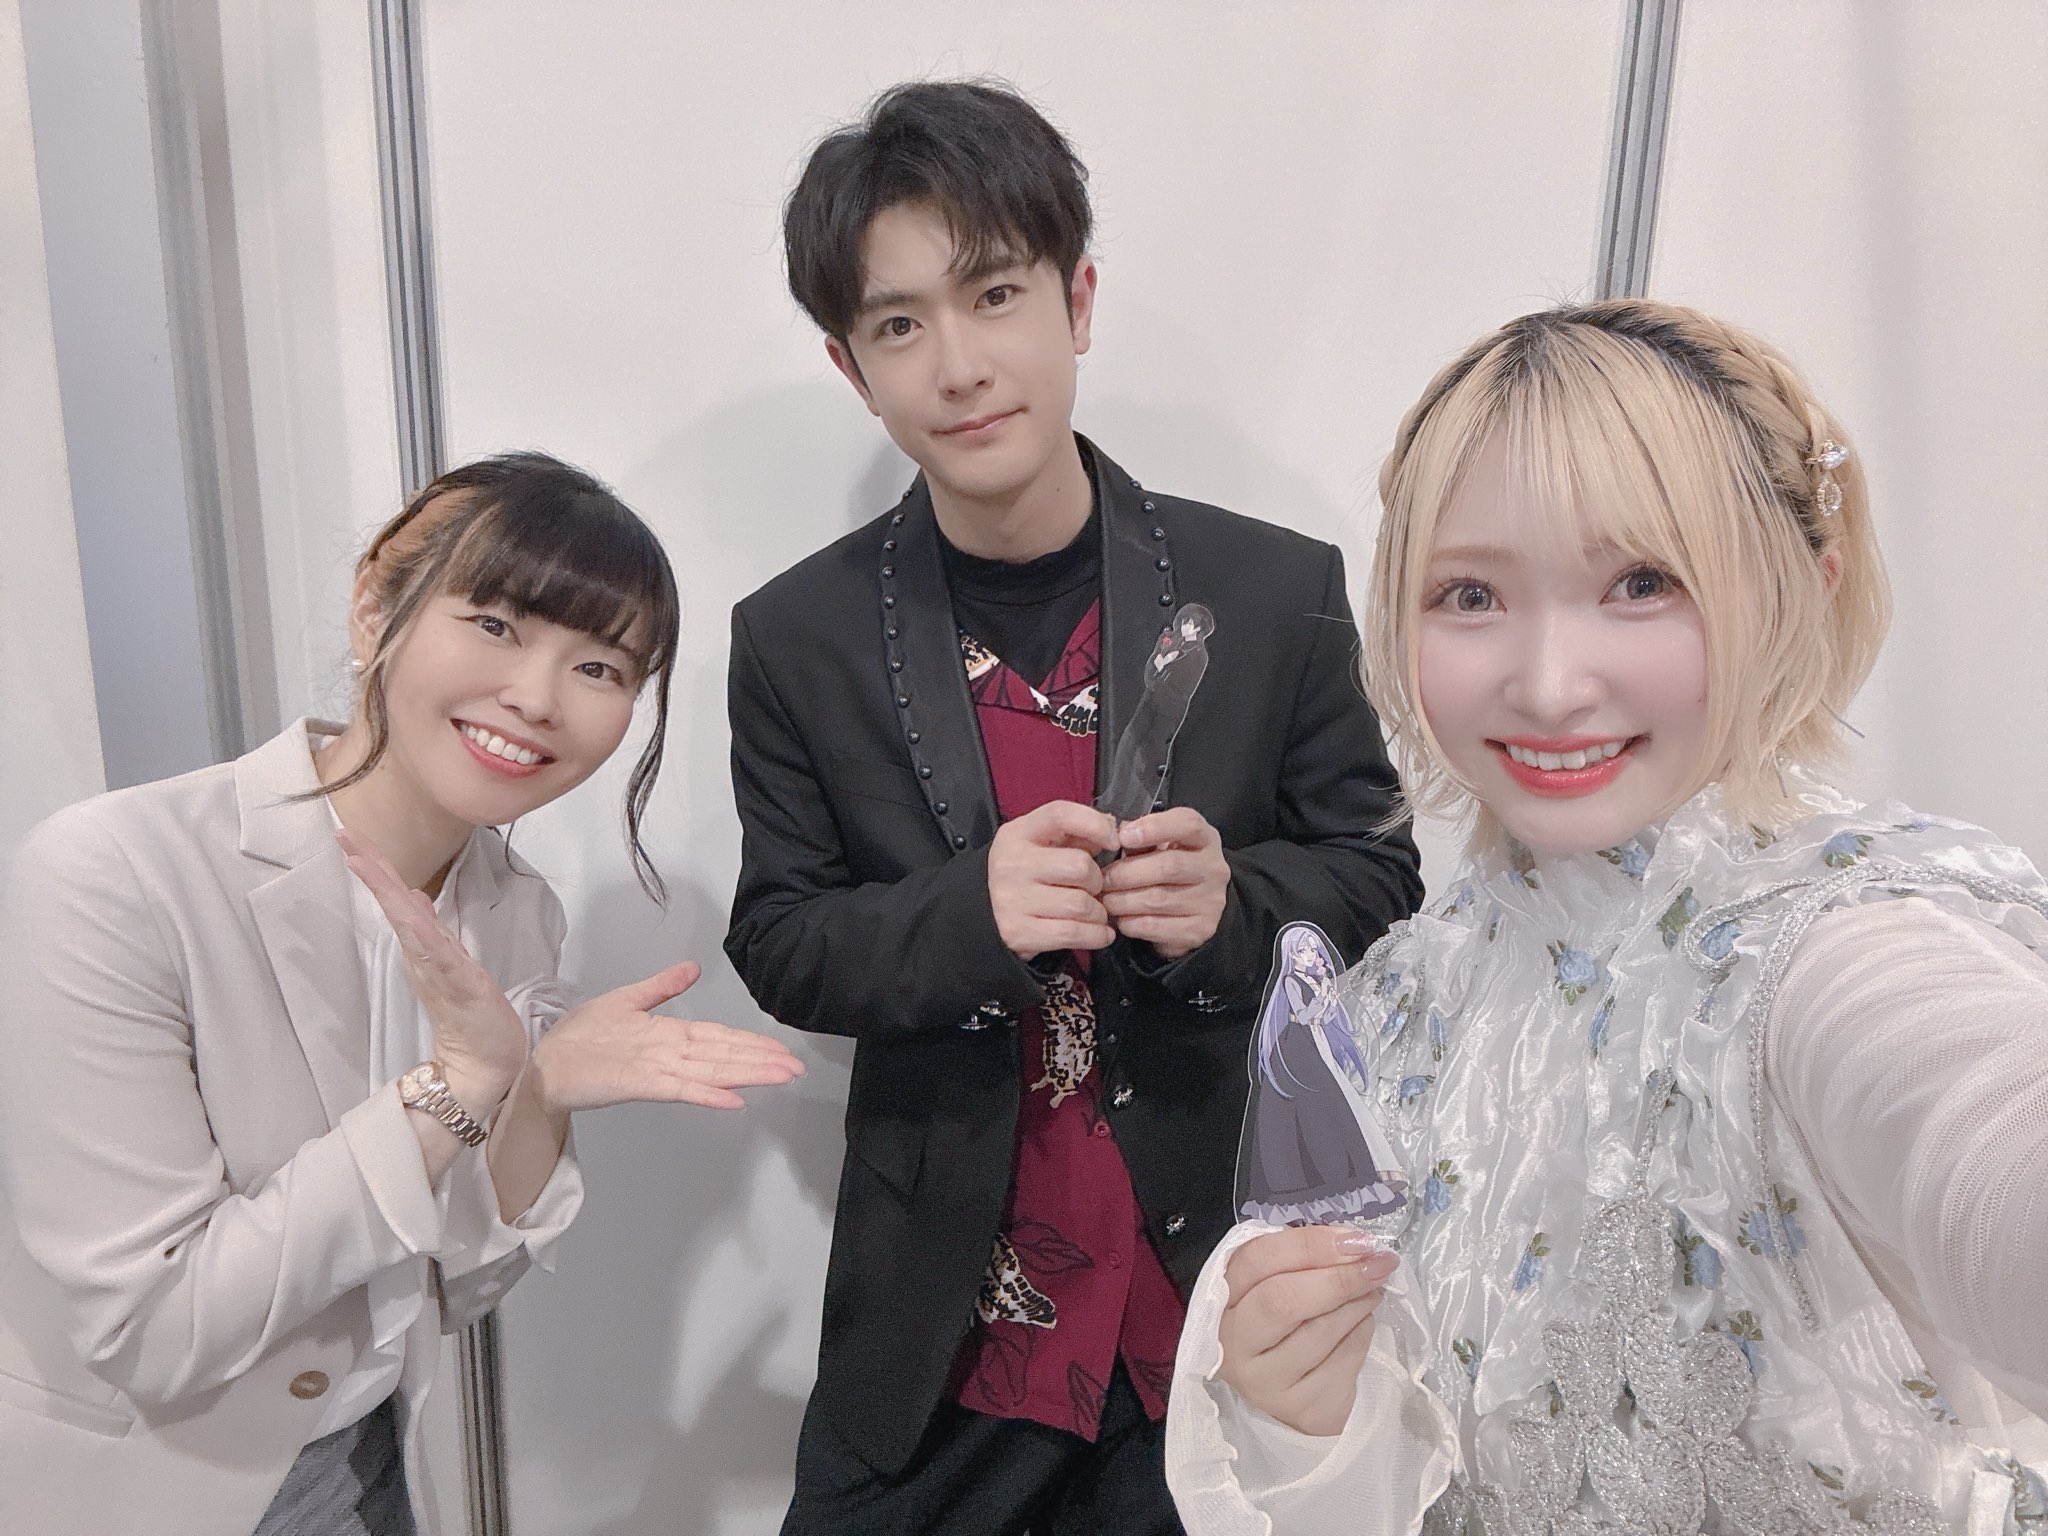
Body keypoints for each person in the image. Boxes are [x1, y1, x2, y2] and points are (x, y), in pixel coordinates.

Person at [1164, 299, 2048, 1533]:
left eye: (1640, 583)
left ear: (1802, 590)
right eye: (1469, 594)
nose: (1545, 685)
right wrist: (1306, 1423)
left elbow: (1971, 1122)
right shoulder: (1387, 1011)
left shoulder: (1833, 942)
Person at [726, 80, 1423, 1536]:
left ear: (1077, 300)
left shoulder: (1272, 588)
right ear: (852, 368)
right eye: (899, 324)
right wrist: (963, 914)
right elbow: (782, 940)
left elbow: (1378, 876)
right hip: (941, 1336)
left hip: (1211, 1312)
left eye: (995, 295)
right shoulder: (795, 636)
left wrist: (1233, 910)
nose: (960, 365)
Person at [0, 452, 805, 1536]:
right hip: (151, 1488)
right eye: (495, 624)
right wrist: (457, 1086)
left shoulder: (516, 911)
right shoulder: (119, 874)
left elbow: (449, 1291)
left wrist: (537, 1097)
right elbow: (154, 1329)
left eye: (599, 667)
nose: (536, 698)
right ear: (377, 605)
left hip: (373, 1463)